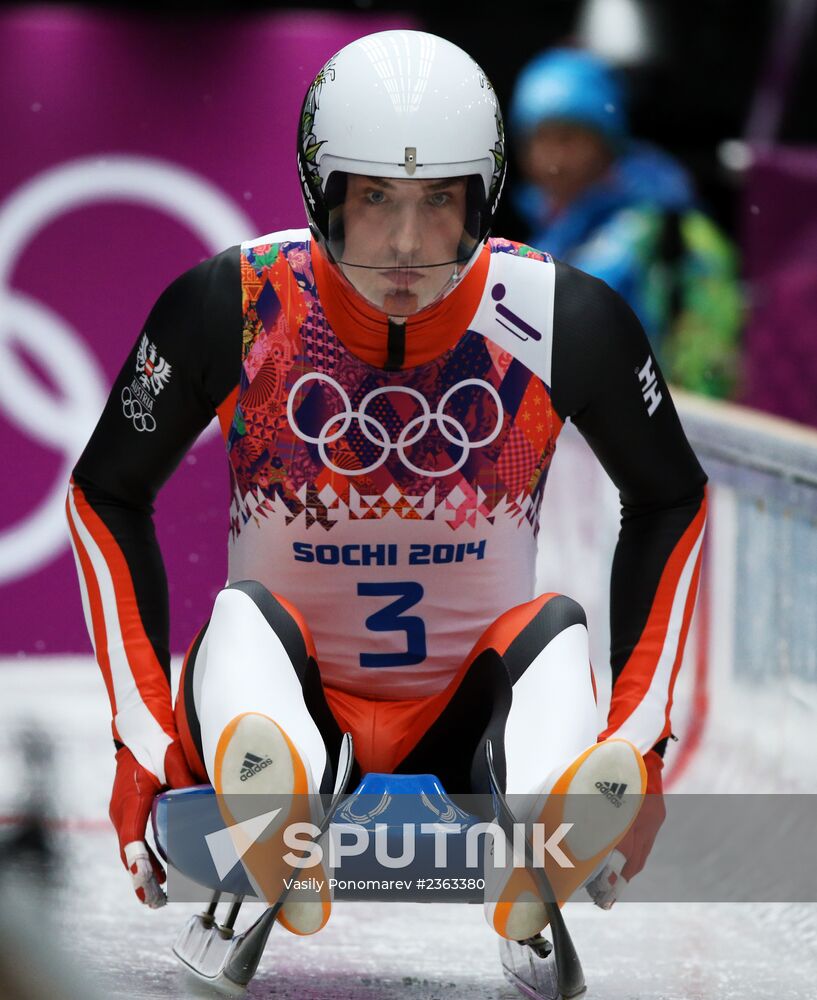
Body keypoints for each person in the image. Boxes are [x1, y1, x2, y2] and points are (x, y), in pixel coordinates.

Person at [66, 29, 707, 942]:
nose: (406, 246)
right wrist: (141, 740)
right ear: (318, 190)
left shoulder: (566, 317)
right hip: (284, 693)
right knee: (241, 617)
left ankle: (548, 808)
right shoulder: (232, 303)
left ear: (484, 195)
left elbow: (670, 497)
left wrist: (638, 745)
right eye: (373, 199)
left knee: (558, 628)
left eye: (439, 202)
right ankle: (280, 794)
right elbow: (105, 493)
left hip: (470, 725)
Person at [508, 46, 743, 399]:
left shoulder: (663, 227)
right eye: (538, 139)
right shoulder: (554, 230)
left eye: (568, 138)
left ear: (606, 141)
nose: (552, 159)